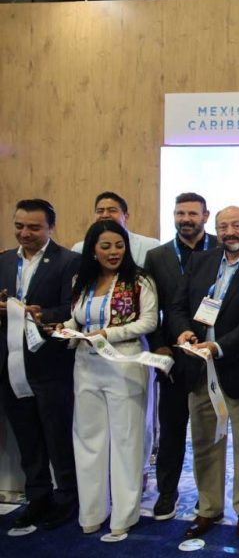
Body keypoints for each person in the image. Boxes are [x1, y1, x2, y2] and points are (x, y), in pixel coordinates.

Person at [167, 206, 239, 540]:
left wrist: (219, 346)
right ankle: (208, 508)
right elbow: (177, 306)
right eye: (223, 226)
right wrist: (184, 332)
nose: (230, 232)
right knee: (204, 441)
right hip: (198, 367)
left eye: (237, 226)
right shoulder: (200, 261)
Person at [59, 220, 158, 540]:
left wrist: (108, 334)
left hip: (125, 364)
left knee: (127, 441)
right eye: (106, 246)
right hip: (86, 366)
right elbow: (77, 318)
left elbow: (149, 321)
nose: (114, 252)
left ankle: (124, 515)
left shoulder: (140, 280)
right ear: (93, 250)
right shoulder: (81, 281)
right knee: (88, 440)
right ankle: (92, 512)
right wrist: (64, 329)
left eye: (119, 245)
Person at [0, 199, 79, 531]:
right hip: (10, 364)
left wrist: (39, 314)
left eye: (34, 227)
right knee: (27, 436)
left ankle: (67, 497)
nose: (25, 233)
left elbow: (72, 308)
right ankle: (37, 497)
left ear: (50, 227)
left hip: (51, 365)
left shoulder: (68, 262)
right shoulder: (4, 260)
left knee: (57, 436)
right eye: (19, 226)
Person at [142, 192, 217, 520]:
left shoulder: (221, 249)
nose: (185, 219)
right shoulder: (157, 257)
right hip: (172, 356)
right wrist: (159, 347)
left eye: (192, 214)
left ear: (205, 216)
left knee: (209, 435)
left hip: (212, 355)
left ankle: (208, 496)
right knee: (171, 430)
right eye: (180, 213)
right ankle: (166, 493)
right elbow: (151, 308)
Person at [71, 191, 160, 268]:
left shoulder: (150, 246)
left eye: (112, 210)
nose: (105, 215)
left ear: (126, 216)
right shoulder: (79, 249)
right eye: (100, 211)